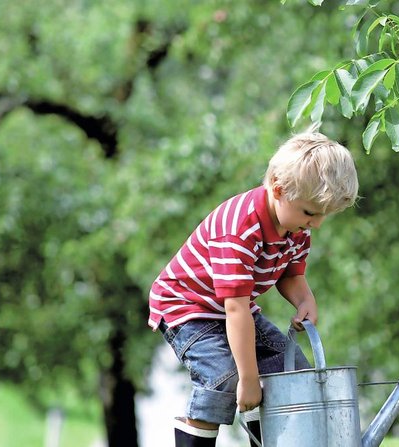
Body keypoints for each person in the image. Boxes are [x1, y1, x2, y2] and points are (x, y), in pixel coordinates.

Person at [149, 131, 358, 446]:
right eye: (311, 213)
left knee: (289, 370)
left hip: (236, 308)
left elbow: (290, 274)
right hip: (188, 308)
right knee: (224, 376)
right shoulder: (241, 227)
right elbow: (235, 309)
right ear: (278, 188)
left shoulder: (296, 227)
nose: (317, 224)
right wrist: (247, 380)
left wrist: (305, 299)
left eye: (323, 215)